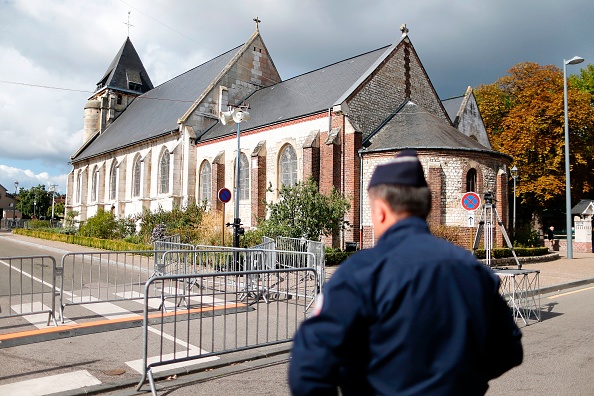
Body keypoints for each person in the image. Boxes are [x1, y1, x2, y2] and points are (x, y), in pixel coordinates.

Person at [288, 150, 523, 396]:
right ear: (425, 207)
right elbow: (508, 350)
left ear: (380, 211)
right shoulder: (473, 270)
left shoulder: (361, 272)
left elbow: (309, 365)